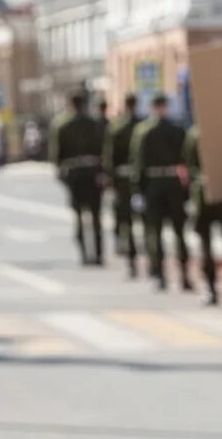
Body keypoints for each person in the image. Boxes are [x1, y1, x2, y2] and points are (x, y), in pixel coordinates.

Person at [131, 93, 192, 292]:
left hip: (153, 184)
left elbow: (138, 162)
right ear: (165, 107)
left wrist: (137, 189)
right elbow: (187, 160)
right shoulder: (177, 130)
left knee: (154, 231)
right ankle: (184, 274)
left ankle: (159, 274)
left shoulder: (143, 131)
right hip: (173, 182)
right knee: (178, 230)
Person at [47, 89, 107, 267]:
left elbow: (56, 154)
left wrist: (61, 174)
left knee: (79, 215)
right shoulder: (94, 124)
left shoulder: (62, 125)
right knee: (96, 216)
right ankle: (98, 254)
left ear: (71, 104)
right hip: (93, 172)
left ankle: (83, 255)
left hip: (74, 174)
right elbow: (104, 148)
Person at [183, 123, 222, 306]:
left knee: (216, 242)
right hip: (221, 192)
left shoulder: (195, 133)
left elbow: (189, 165)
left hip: (207, 193)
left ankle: (216, 289)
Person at [108, 96, 142, 275]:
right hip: (142, 179)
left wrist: (110, 179)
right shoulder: (142, 126)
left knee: (126, 221)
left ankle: (131, 260)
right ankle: (152, 263)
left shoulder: (117, 128)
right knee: (147, 221)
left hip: (122, 180)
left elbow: (109, 156)